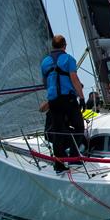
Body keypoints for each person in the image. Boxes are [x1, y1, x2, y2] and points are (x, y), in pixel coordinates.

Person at [40, 35, 85, 172]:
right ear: (64, 46)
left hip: (54, 101)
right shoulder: (68, 59)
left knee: (58, 131)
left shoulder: (45, 62)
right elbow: (74, 78)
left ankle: (59, 165)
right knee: (78, 127)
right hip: (68, 99)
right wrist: (82, 98)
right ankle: (74, 157)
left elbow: (45, 83)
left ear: (52, 46)